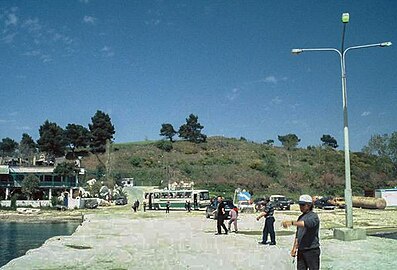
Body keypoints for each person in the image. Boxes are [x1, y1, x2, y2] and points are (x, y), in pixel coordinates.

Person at [282, 194, 320, 270]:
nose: (300, 207)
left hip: (311, 250)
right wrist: (294, 248)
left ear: (309, 205)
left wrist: (292, 223)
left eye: (303, 205)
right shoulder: (301, 217)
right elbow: (298, 234)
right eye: (300, 204)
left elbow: (306, 224)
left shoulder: (313, 216)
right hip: (301, 250)